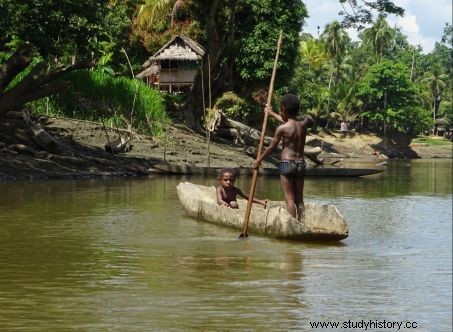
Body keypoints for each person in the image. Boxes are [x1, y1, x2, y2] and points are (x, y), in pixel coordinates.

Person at [253, 94, 313, 220]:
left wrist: (259, 160)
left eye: (280, 110)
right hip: (300, 164)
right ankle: (301, 222)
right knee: (299, 199)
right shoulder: (303, 125)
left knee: (289, 199)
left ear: (283, 109)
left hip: (287, 163)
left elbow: (271, 148)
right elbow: (291, 121)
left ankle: (292, 225)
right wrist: (271, 113)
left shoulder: (282, 128)